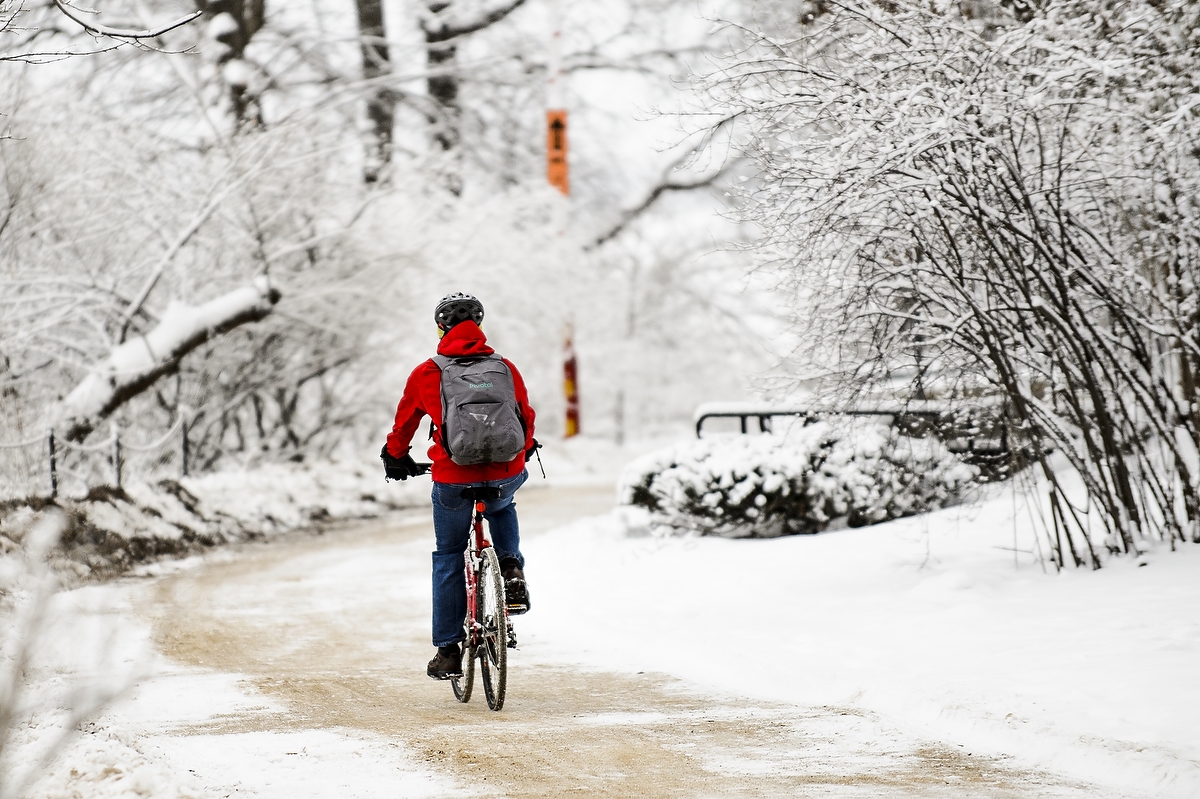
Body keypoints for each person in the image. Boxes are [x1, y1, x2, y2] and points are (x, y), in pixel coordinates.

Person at [381, 292, 538, 680]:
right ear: (479, 326)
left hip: (453, 477)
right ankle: (511, 568)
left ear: (440, 328)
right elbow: (525, 416)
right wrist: (527, 446)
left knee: (449, 555)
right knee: (503, 502)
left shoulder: (427, 373)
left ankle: (448, 651)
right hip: (504, 470)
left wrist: (395, 456)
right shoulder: (505, 367)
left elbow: (404, 426)